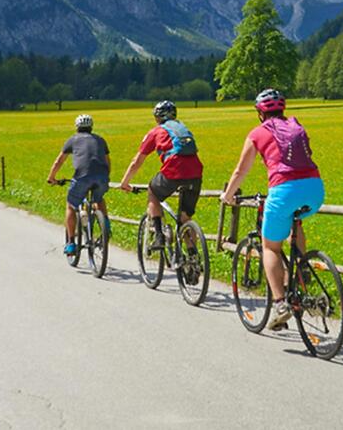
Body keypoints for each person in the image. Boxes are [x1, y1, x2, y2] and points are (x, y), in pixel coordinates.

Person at [219, 88, 323, 330]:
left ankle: (280, 304)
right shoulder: (297, 127)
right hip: (315, 189)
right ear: (282, 109)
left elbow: (240, 171)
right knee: (295, 223)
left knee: (270, 247)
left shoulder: (257, 133)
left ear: (259, 112)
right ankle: (300, 271)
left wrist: (228, 196)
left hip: (284, 190)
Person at [117, 99, 203, 250]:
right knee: (185, 218)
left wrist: (125, 182)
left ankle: (159, 236)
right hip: (196, 172)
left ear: (157, 117)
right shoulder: (183, 128)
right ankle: (193, 258)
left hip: (174, 169)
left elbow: (137, 161)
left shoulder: (156, 131)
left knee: (153, 192)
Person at [46, 113, 110, 257]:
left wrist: (51, 177)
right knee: (99, 199)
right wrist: (106, 177)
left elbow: (59, 161)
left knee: (70, 205)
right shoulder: (100, 140)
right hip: (102, 177)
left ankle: (70, 243)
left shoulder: (72, 140)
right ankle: (106, 226)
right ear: (91, 127)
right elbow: (107, 161)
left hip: (82, 177)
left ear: (77, 127)